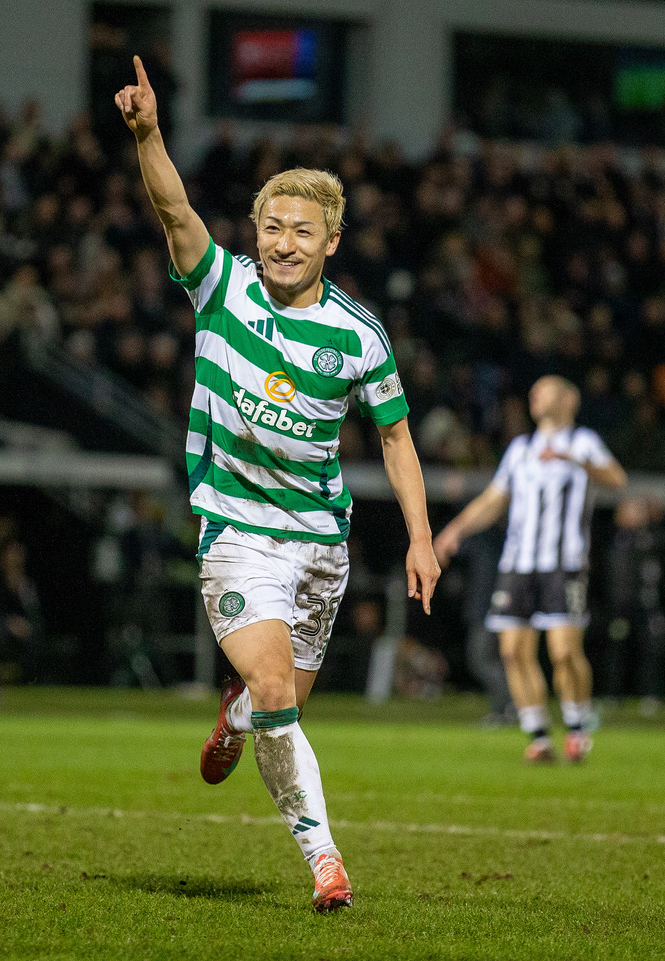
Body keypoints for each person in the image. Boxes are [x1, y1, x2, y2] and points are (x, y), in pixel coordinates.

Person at [116, 57, 439, 912]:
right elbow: (173, 210)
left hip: (318, 544)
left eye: (301, 230)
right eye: (271, 225)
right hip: (235, 530)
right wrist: (149, 134)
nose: (282, 242)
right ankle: (325, 862)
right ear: (254, 230)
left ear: (331, 241)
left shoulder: (359, 336)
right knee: (272, 693)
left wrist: (419, 535)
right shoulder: (220, 287)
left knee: (276, 707)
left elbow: (397, 436)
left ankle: (232, 719)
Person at [433, 376, 627, 763]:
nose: (535, 394)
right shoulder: (520, 449)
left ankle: (577, 727)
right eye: (533, 389)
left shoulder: (582, 442)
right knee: (512, 652)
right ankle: (538, 735)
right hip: (517, 565)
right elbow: (494, 498)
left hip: (564, 564)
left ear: (569, 397)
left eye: (545, 388)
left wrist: (574, 460)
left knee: (563, 652)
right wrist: (455, 530)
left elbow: (617, 480)